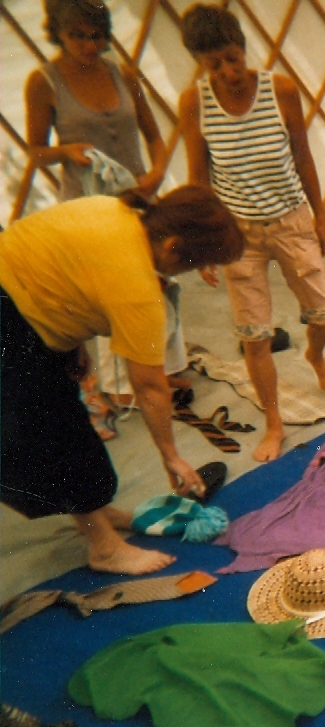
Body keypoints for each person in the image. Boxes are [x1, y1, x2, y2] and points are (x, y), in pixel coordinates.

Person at [0, 186, 245, 575]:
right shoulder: (138, 287)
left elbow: (64, 271)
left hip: (14, 298)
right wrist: (171, 456)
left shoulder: (113, 209)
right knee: (54, 436)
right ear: (173, 246)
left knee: (62, 422)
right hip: (10, 322)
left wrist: (71, 345)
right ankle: (104, 548)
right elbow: (149, 386)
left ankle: (99, 515)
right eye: (190, 265)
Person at [178, 4, 325, 463]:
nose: (228, 72)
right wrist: (202, 244)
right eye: (214, 65)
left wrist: (320, 216)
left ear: (244, 48)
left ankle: (315, 356)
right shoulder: (195, 103)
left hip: (290, 219)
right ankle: (274, 422)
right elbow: (198, 177)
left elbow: (303, 156)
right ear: (200, 63)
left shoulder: (280, 90)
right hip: (238, 235)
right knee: (255, 336)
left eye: (233, 58)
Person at [24, 0, 188, 417]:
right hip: (88, 209)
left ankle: (161, 370)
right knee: (110, 295)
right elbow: (36, 152)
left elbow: (155, 136)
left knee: (155, 286)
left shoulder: (123, 74)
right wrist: (66, 151)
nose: (88, 45)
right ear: (58, 33)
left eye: (96, 36)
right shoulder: (43, 82)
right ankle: (121, 385)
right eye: (77, 36)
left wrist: (156, 173)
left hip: (137, 198)